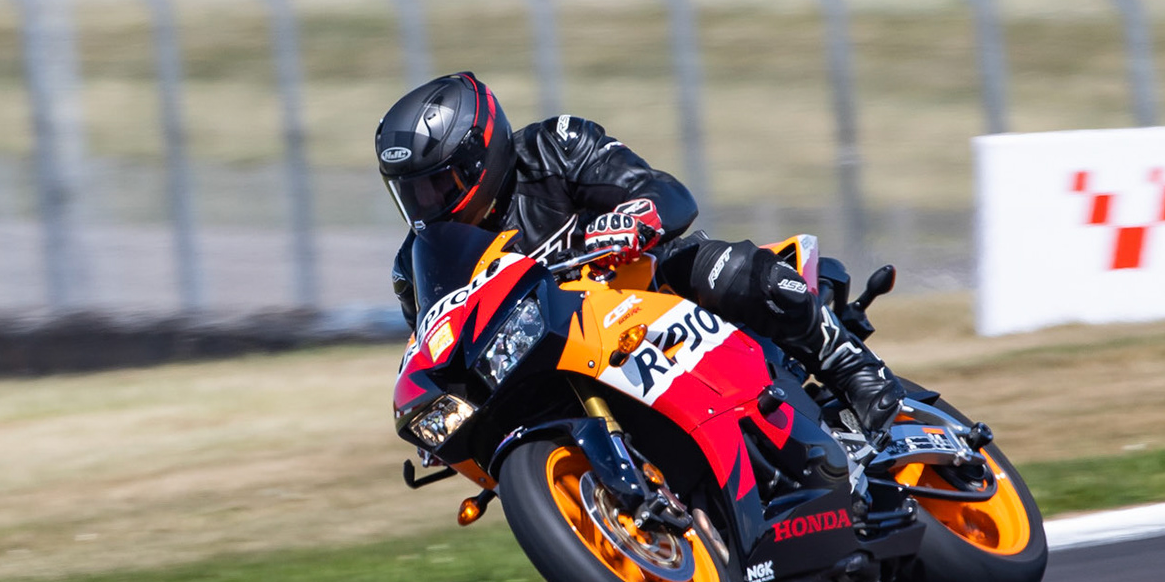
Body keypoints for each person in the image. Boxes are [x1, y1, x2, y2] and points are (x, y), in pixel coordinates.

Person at [376, 71, 901, 438]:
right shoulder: (414, 264)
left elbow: (669, 195)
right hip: (555, 362)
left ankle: (852, 368)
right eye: (411, 193)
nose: (426, 204)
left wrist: (629, 220)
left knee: (716, 268)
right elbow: (438, 344)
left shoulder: (556, 147)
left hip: (648, 298)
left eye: (438, 184)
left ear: (482, 154)